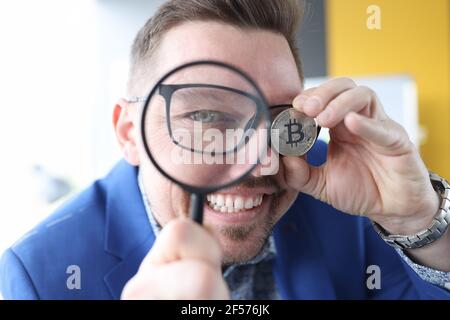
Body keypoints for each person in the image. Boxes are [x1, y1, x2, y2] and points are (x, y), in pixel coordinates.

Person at [1, 0, 449, 300]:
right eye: (204, 117)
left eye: (279, 117)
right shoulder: (35, 278)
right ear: (128, 133)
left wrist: (420, 221)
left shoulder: (346, 197)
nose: (261, 159)